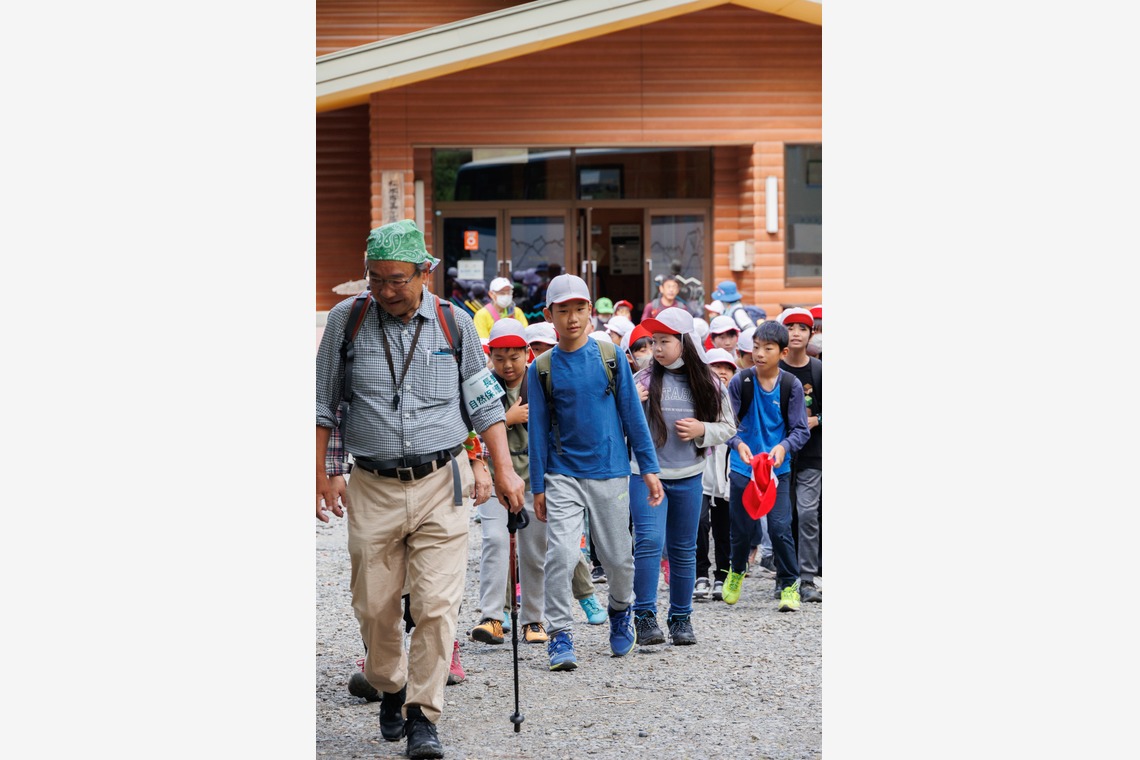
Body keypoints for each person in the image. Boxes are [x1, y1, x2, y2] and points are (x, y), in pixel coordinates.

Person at [316, 219, 526, 758]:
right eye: (376, 279)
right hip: (372, 484)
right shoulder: (346, 320)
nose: (385, 291)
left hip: (442, 481)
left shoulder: (456, 324)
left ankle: (422, 716)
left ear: (424, 274)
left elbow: (485, 405)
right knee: (374, 606)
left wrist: (503, 471)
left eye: (397, 280)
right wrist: (321, 471)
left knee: (436, 605)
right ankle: (389, 682)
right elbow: (322, 402)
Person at [528, 274, 664, 671]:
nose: (572, 318)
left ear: (590, 310)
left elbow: (633, 416)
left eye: (579, 309)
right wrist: (538, 485)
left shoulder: (611, 356)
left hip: (610, 470)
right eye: (563, 311)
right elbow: (537, 431)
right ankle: (559, 633)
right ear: (549, 315)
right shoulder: (542, 367)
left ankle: (620, 611)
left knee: (619, 559)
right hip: (562, 474)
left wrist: (649, 468)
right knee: (562, 554)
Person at [628, 308, 736, 646]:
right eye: (654, 342)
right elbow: (618, 425)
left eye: (665, 341)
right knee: (648, 542)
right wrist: (631, 404)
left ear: (685, 341)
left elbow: (728, 427)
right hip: (646, 475)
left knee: (684, 548)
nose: (657, 348)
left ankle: (680, 617)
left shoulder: (709, 382)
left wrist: (703, 429)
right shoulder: (642, 380)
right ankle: (644, 617)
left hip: (689, 476)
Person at [722, 319, 810, 612]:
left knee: (780, 527)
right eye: (756, 347)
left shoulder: (790, 385)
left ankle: (790, 584)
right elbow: (726, 425)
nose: (759, 353)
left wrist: (783, 447)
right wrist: (738, 444)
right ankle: (737, 571)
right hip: (743, 466)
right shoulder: (740, 382)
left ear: (783, 353)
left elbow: (800, 429)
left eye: (767, 348)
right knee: (741, 528)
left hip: (776, 470)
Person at [778, 307, 823, 604]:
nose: (795, 333)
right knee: (782, 517)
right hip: (779, 453)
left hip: (812, 453)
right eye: (790, 327)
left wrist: (816, 420)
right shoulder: (773, 369)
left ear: (811, 333)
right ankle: (785, 577)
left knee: (807, 513)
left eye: (802, 328)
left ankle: (806, 578)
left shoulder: (819, 370)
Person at [696, 348, 738, 601]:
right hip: (699, 472)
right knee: (699, 523)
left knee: (724, 527)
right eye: (716, 366)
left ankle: (722, 575)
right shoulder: (696, 396)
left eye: (727, 367)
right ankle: (700, 574)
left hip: (727, 474)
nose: (722, 372)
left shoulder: (738, 399)